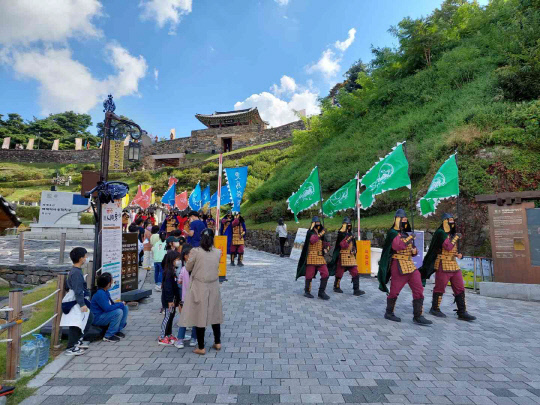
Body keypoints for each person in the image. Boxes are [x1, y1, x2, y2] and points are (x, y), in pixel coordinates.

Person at [378, 210, 432, 326]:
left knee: (418, 289)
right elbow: (398, 246)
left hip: (410, 265)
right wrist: (409, 239)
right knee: (394, 291)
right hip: (398, 265)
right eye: (402, 220)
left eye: (405, 220)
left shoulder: (407, 234)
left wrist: (414, 251)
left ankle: (418, 315)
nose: (404, 222)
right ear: (397, 220)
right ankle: (389, 312)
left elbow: (412, 249)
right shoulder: (393, 233)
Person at [421, 213, 476, 321]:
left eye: (452, 220)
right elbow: (448, 246)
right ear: (444, 221)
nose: (452, 222)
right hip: (443, 264)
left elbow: (452, 250)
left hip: (453, 264)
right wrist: (456, 237)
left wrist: (458, 254)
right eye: (449, 220)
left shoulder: (450, 234)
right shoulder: (441, 233)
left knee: (460, 287)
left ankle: (462, 311)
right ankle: (435, 308)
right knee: (440, 287)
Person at [179, 228, 223, 355]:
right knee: (215, 314)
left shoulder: (195, 252)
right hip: (213, 285)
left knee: (200, 314)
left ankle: (201, 346)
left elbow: (188, 267)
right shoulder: (217, 252)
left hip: (199, 285)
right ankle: (217, 342)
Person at [61, 247, 93, 356]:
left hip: (77, 300)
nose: (86, 258)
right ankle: (71, 346)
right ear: (81, 259)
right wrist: (82, 304)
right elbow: (78, 290)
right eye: (85, 256)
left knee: (86, 319)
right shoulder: (76, 273)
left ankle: (77, 342)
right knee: (76, 323)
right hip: (76, 301)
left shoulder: (76, 271)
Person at [295, 216, 331, 300]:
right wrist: (321, 233)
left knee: (326, 273)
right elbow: (312, 240)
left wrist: (326, 248)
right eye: (316, 223)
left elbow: (327, 244)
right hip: (311, 256)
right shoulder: (309, 233)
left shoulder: (321, 234)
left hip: (320, 257)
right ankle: (307, 291)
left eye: (319, 223)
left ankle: (321, 292)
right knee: (309, 275)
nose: (318, 225)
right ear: (313, 224)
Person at [328, 217, 365, 296]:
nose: (349, 226)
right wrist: (349, 238)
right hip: (343, 256)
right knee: (339, 273)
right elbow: (342, 245)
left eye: (349, 225)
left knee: (355, 272)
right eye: (347, 225)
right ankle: (336, 286)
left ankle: (356, 290)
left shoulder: (351, 234)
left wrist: (354, 250)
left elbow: (353, 245)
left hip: (350, 256)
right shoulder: (341, 234)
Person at [91, 272, 129, 342]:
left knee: (124, 307)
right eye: (111, 281)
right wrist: (120, 304)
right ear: (108, 283)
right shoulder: (100, 294)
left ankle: (117, 330)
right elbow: (107, 308)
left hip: (103, 314)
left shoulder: (105, 291)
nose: (112, 282)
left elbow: (111, 304)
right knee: (118, 312)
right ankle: (108, 335)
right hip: (98, 318)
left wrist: (121, 304)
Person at [175, 244, 197, 349]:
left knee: (183, 319)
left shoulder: (183, 269)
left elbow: (179, 282)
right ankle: (193, 339)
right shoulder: (197, 269)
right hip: (196, 298)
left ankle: (180, 340)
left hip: (185, 298)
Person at [159, 250, 181, 346]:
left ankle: (168, 333)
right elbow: (168, 288)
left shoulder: (172, 270)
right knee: (167, 317)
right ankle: (162, 336)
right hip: (169, 299)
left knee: (171, 316)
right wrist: (169, 300)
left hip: (173, 299)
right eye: (177, 259)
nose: (178, 261)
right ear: (172, 260)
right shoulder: (168, 272)